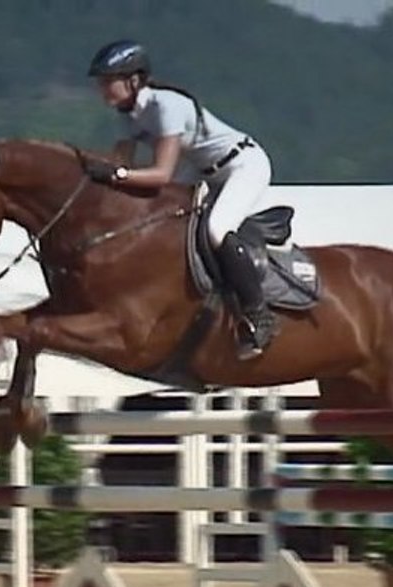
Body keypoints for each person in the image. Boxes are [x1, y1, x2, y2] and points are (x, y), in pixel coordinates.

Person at [84, 39, 276, 360]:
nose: (103, 89)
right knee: (163, 220)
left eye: (108, 81)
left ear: (134, 80)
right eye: (101, 82)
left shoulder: (166, 106)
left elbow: (159, 174)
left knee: (216, 230)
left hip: (242, 165)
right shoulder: (127, 115)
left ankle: (259, 314)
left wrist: (115, 176)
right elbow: (120, 163)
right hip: (201, 169)